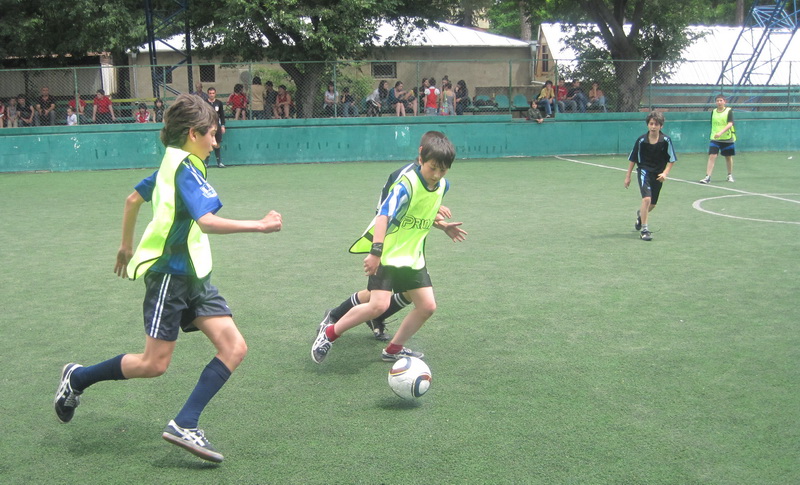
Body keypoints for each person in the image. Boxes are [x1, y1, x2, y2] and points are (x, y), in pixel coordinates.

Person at [53, 93, 283, 463]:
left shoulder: (172, 163)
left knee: (234, 347)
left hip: (195, 277)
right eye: (212, 134)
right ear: (193, 134)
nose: (216, 142)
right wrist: (260, 225)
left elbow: (132, 200)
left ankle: (185, 423)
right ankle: (77, 378)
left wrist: (125, 246)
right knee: (154, 364)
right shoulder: (185, 168)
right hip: (170, 277)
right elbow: (206, 221)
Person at [311, 131, 465, 364]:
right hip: (388, 252)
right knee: (378, 305)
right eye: (432, 168)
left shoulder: (442, 186)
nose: (436, 175)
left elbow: (422, 212)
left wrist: (443, 226)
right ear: (421, 159)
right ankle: (329, 334)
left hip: (412, 256)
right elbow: (383, 215)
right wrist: (376, 252)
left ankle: (393, 349)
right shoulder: (406, 184)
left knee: (427, 306)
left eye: (442, 170)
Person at [624, 111, 677, 242]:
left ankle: (640, 215)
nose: (653, 126)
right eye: (651, 124)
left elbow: (672, 159)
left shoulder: (666, 140)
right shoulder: (641, 140)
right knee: (646, 199)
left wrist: (665, 173)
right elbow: (633, 158)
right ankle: (645, 230)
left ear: (661, 126)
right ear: (648, 125)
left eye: (656, 124)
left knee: (652, 205)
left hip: (658, 174)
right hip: (644, 171)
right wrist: (628, 176)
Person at [700, 93, 736, 184]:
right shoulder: (714, 111)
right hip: (715, 138)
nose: (719, 102)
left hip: (727, 138)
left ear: (724, 102)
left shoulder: (729, 111)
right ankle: (707, 177)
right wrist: (716, 134)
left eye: (721, 100)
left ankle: (729, 175)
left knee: (728, 157)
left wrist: (721, 132)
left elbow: (730, 124)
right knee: (712, 156)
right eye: (717, 101)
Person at [205, 87, 226, 168]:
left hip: (217, 125)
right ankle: (206, 163)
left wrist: (223, 125)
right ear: (208, 94)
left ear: (215, 94)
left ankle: (219, 162)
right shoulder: (204, 103)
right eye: (210, 93)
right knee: (208, 144)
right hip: (207, 125)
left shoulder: (219, 103)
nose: (212, 95)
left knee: (217, 143)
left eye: (213, 93)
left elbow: (222, 115)